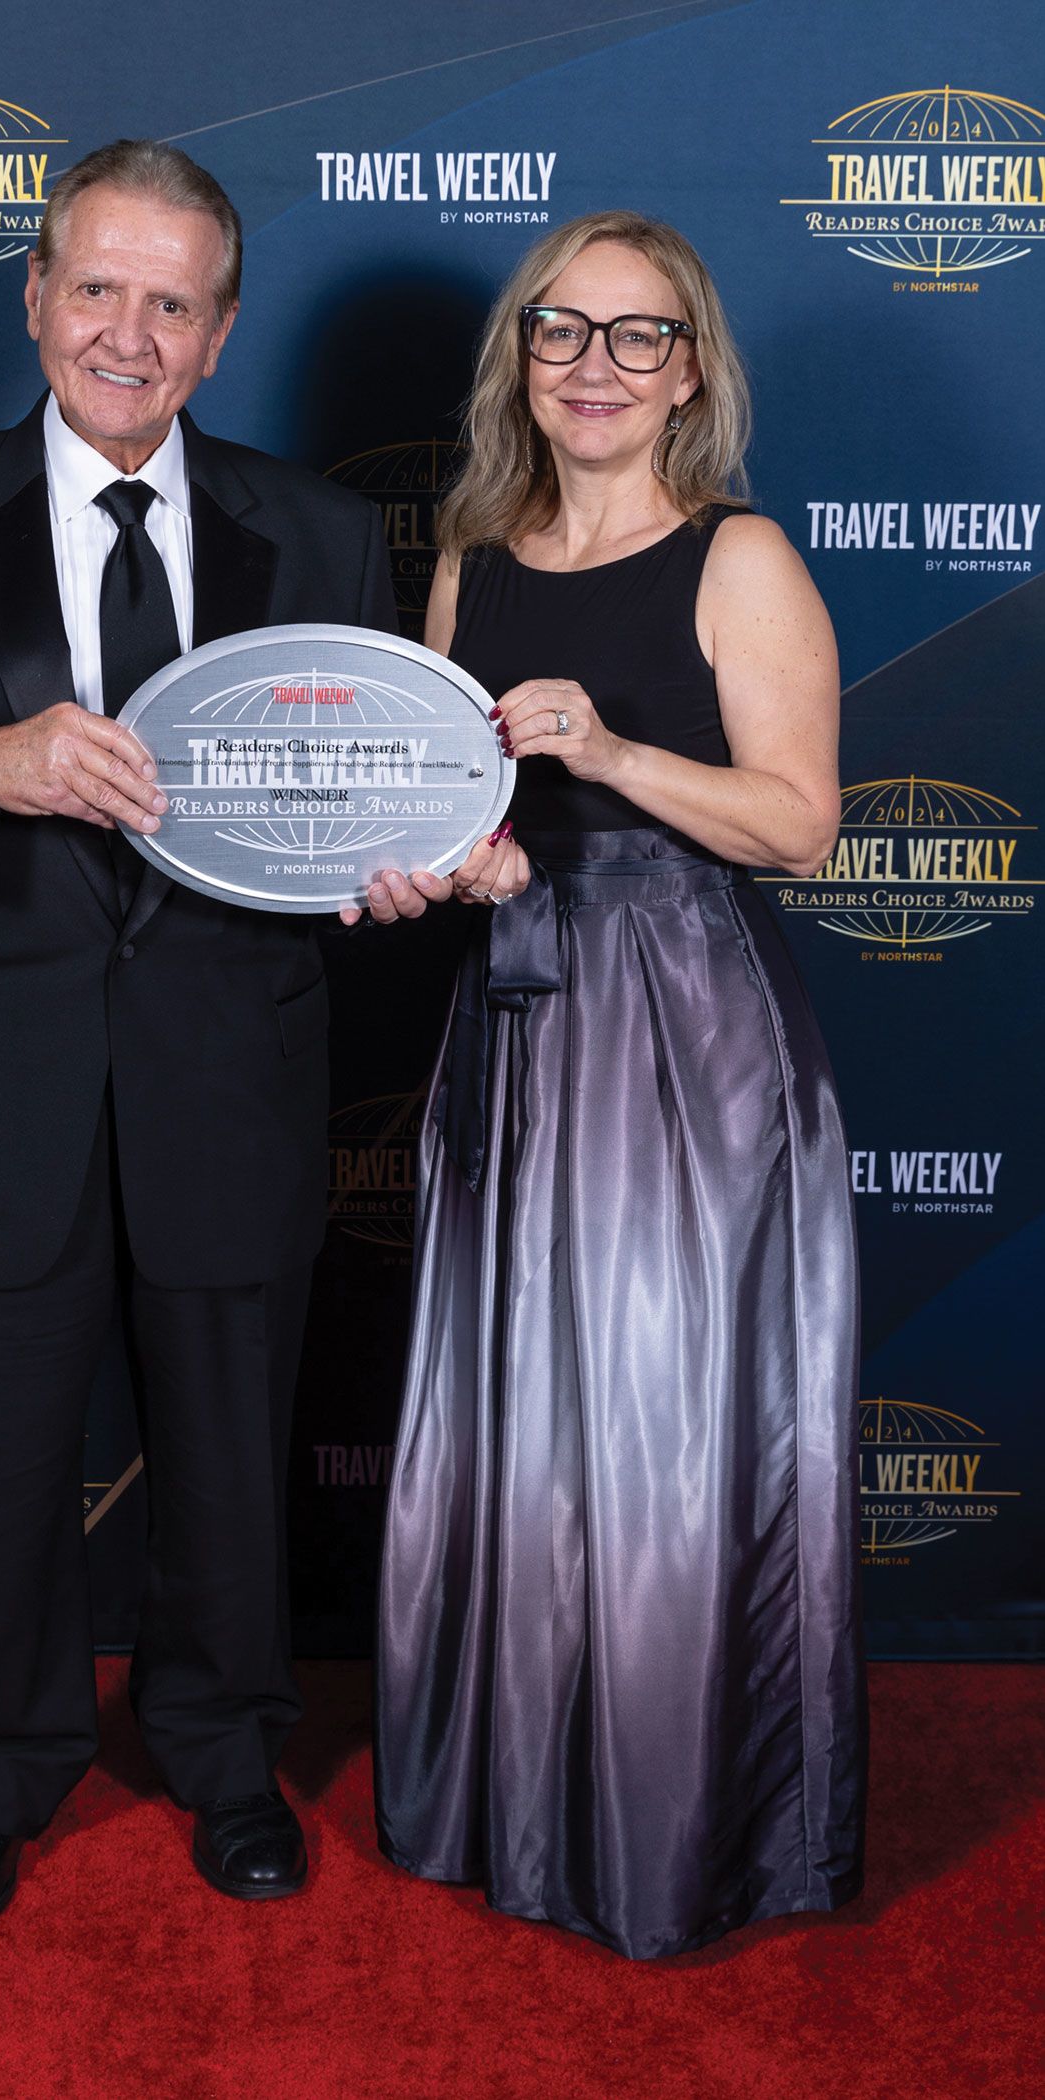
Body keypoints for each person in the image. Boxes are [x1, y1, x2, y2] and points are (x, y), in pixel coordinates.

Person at [0, 139, 396, 1935]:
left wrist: (407, 860)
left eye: (171, 303)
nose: (128, 333)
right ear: (33, 297)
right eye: (96, 288)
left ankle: (226, 1754)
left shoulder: (321, 532)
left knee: (232, 1463)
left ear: (222, 333)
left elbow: (358, 785)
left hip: (228, 1073)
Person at [368, 211, 866, 1959]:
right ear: (521, 357)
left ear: (690, 370)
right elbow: (467, 821)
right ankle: (514, 1805)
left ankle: (679, 1835)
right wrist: (468, 867)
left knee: (665, 1433)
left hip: (685, 1038)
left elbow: (800, 825)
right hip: (518, 1015)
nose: (594, 364)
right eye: (561, 329)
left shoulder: (739, 556)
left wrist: (615, 749)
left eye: (637, 333)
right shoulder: (469, 561)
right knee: (516, 1418)